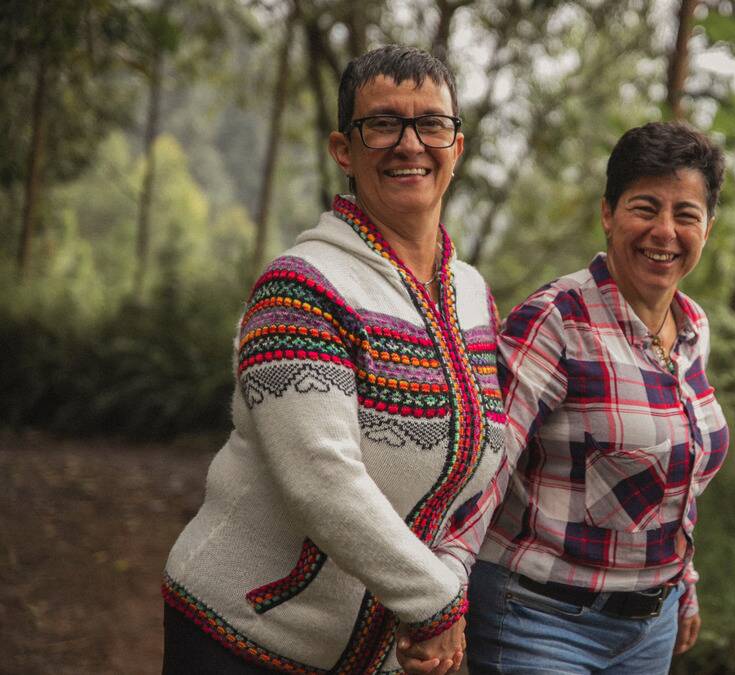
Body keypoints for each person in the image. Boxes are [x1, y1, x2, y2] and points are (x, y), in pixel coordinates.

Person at [161, 46, 505, 675]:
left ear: (456, 147)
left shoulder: (476, 297)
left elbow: (489, 456)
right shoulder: (300, 287)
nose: (409, 144)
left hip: (379, 657)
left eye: (431, 123)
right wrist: (436, 604)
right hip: (243, 638)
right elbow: (322, 477)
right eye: (382, 124)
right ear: (344, 150)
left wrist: (449, 575)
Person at [422, 121, 731, 674]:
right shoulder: (557, 320)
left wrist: (684, 584)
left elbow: (679, 473)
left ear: (707, 227)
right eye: (645, 207)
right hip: (539, 622)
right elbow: (486, 465)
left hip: (648, 631)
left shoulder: (692, 326)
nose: (664, 231)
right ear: (608, 213)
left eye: (686, 214)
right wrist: (441, 599)